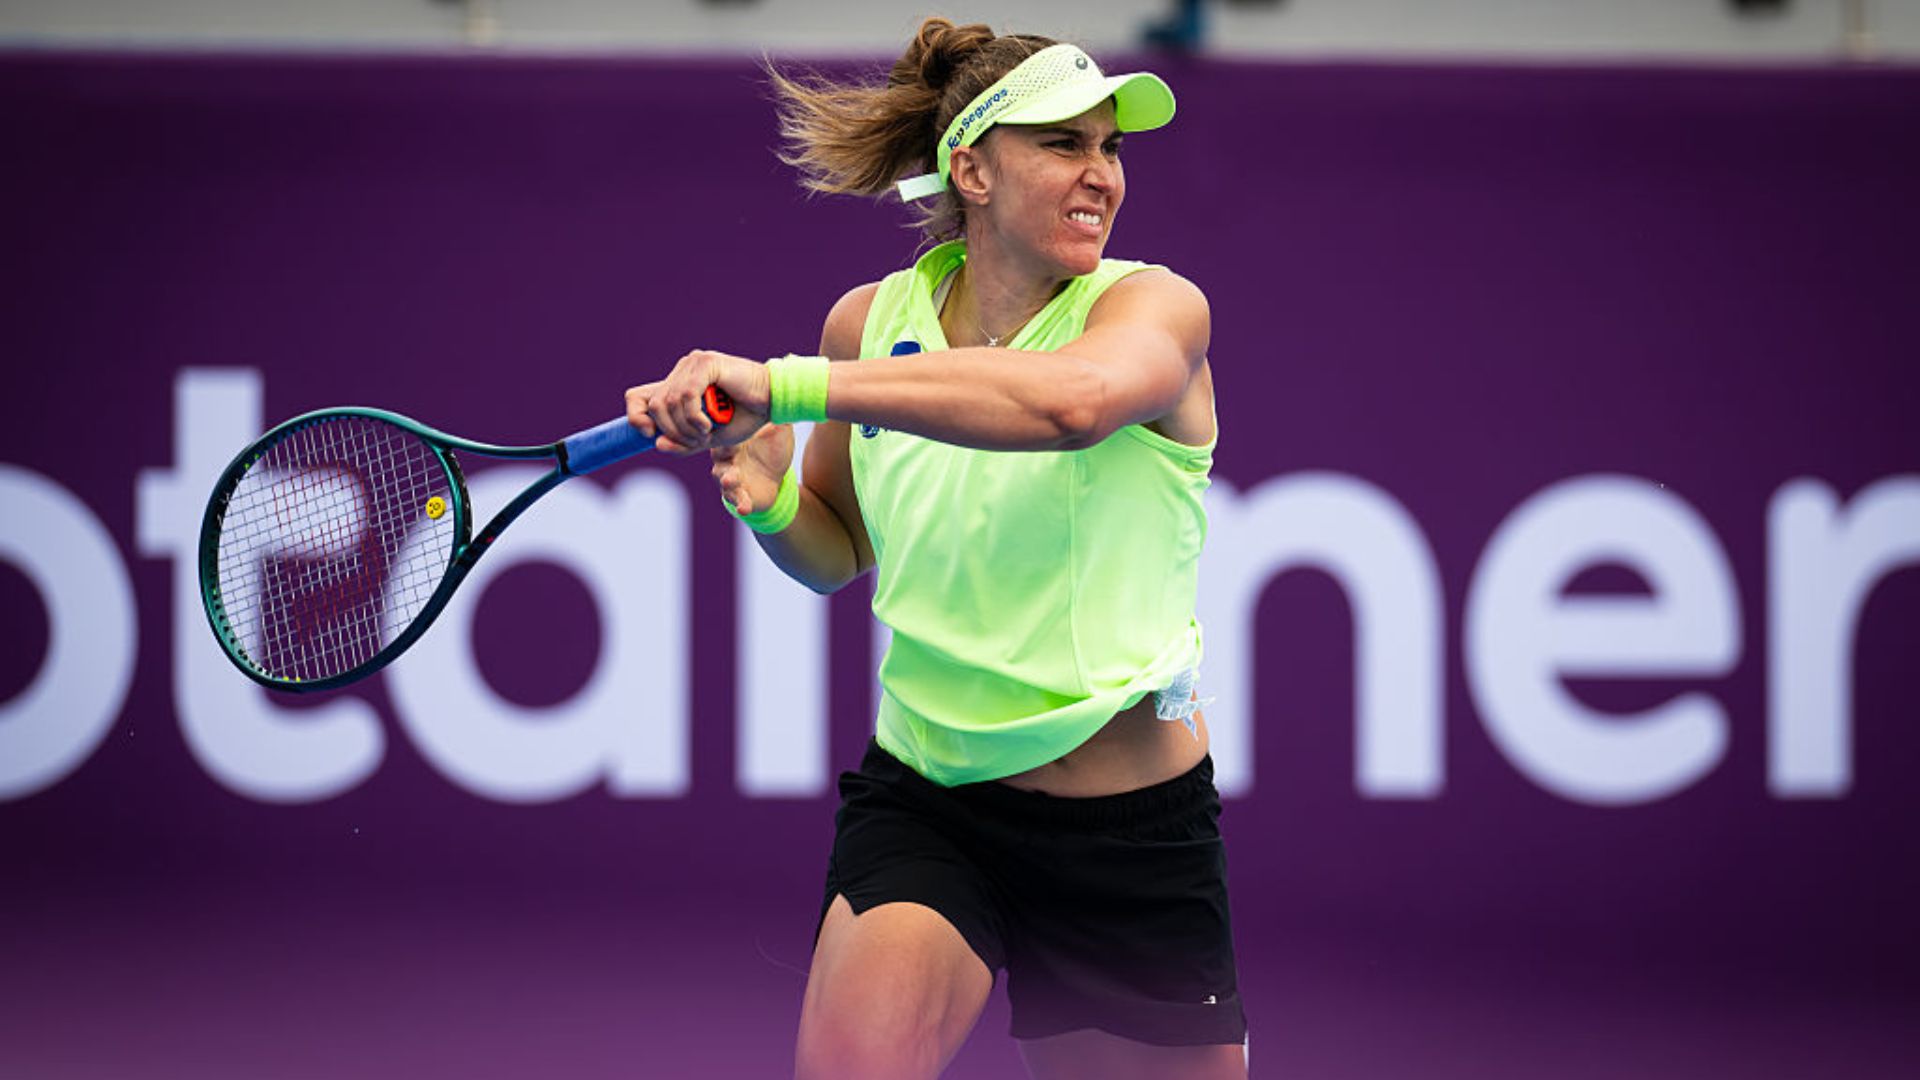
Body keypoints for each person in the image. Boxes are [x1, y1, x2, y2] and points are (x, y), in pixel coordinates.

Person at [626, 17, 1246, 1080]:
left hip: (1133, 835)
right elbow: (838, 549)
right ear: (973, 169)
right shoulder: (869, 325)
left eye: (1110, 148)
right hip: (929, 801)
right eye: (1064, 144)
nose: (1101, 174)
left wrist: (786, 386)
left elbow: (1072, 403)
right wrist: (772, 500)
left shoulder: (1155, 306)